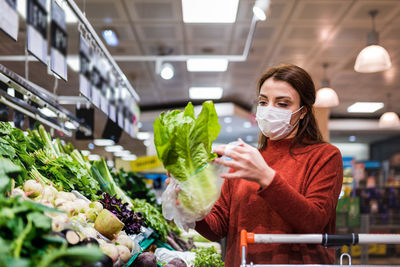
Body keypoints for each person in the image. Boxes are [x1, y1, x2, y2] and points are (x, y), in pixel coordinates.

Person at [192, 64, 344, 265]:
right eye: (263, 102)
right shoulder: (246, 159)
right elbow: (217, 228)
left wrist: (266, 177)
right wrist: (191, 205)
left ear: (303, 112)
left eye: (282, 104)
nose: (269, 109)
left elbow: (314, 223)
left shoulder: (325, 156)